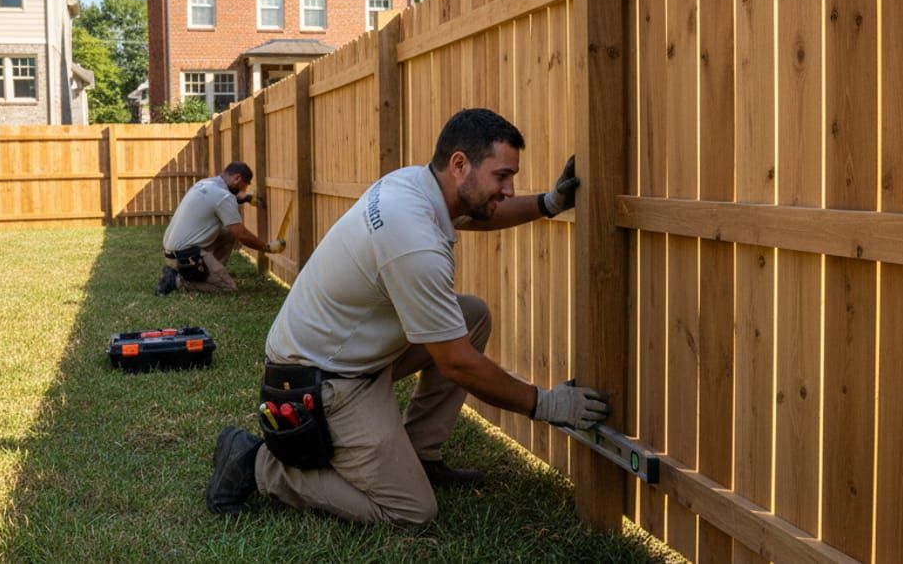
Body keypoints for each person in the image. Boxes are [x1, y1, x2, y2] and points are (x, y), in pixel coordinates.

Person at [204, 109, 610, 523]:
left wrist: (548, 203)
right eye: (501, 176)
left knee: (470, 316)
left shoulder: (413, 184)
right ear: (459, 164)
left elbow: (475, 213)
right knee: (411, 509)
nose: (508, 189)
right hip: (322, 380)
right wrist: (545, 404)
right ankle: (258, 465)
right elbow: (456, 363)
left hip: (340, 351)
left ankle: (419, 452)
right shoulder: (413, 241)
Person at [156, 161, 285, 295]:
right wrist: (267, 248)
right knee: (228, 288)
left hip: (172, 251)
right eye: (244, 187)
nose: (243, 190)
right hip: (187, 256)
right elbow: (242, 235)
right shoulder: (224, 197)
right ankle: (178, 280)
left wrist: (246, 198)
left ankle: (210, 272)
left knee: (228, 233)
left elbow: (218, 201)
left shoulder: (205, 183)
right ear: (237, 178)